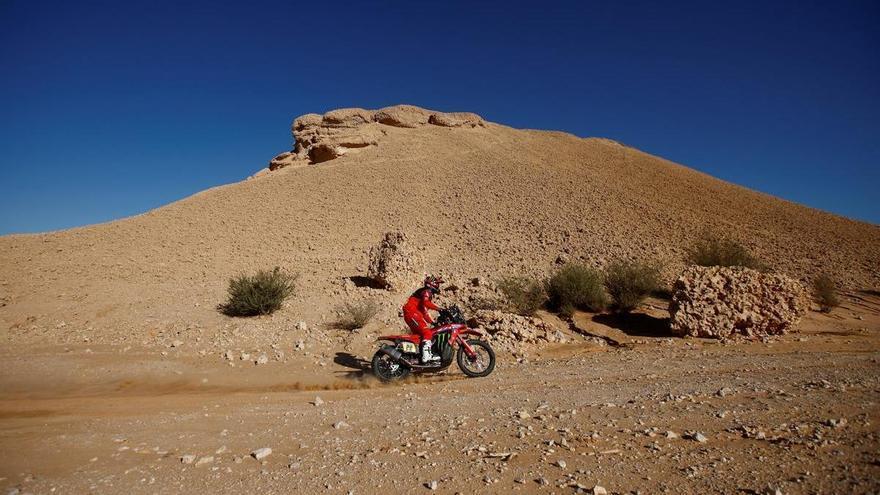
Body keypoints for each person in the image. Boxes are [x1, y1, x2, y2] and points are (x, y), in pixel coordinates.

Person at [402, 275, 444, 363]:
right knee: (427, 332)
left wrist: (433, 323)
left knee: (420, 337)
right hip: (412, 314)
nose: (438, 286)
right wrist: (439, 309)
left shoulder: (424, 293)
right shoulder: (427, 291)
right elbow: (426, 302)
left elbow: (424, 312)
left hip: (413, 314)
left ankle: (417, 357)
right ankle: (427, 357)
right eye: (437, 283)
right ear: (432, 283)